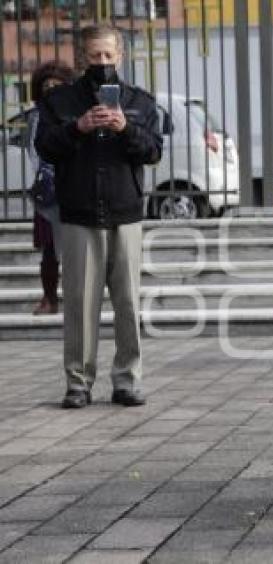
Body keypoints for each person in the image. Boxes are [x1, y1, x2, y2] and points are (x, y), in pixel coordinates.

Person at [35, 24, 163, 408]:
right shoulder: (60, 103)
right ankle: (78, 382)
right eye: (94, 56)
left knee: (127, 303)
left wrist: (126, 128)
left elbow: (154, 151)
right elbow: (45, 147)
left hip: (126, 214)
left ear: (120, 56)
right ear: (82, 58)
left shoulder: (140, 101)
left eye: (108, 55)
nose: (102, 63)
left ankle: (127, 380)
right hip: (79, 216)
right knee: (79, 303)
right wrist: (78, 127)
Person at [26, 61, 76, 315]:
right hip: (48, 189)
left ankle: (79, 299)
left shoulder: (74, 111)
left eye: (57, 85)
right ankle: (49, 298)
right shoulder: (36, 116)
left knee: (78, 247)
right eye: (46, 85)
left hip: (75, 186)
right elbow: (34, 152)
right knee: (49, 249)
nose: (51, 89)